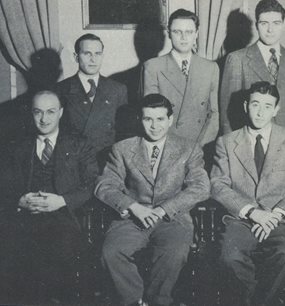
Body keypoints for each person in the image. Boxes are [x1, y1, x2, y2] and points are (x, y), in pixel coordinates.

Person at [95, 94, 210, 306]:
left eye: (160, 119)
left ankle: (158, 301)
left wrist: (164, 209)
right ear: (140, 119)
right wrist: (133, 207)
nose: (154, 126)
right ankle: (135, 301)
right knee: (111, 253)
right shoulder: (122, 149)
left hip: (172, 219)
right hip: (132, 219)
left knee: (174, 253)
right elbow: (105, 186)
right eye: (148, 119)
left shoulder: (189, 148)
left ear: (170, 119)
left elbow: (201, 187)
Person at [211, 81, 285, 305]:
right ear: (246, 105)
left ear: (276, 109)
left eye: (268, 106)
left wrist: (276, 213)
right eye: (255, 104)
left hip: (282, 221)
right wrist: (252, 212)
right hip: (240, 221)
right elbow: (218, 185)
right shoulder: (227, 142)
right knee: (229, 258)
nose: (260, 111)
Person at [0, 90, 97, 304]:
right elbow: (3, 186)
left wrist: (61, 201)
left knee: (58, 248)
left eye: (50, 112)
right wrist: (19, 200)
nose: (44, 119)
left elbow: (92, 185)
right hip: (24, 217)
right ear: (31, 113)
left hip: (64, 217)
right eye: (38, 112)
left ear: (61, 112)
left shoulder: (80, 144)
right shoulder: (15, 146)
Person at [220, 0, 285, 143]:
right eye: (264, 23)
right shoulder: (237, 59)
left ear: (284, 25)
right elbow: (228, 113)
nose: (270, 29)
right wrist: (232, 150)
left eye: (276, 23)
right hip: (250, 143)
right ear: (256, 25)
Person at [142, 9, 219, 147]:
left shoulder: (211, 68)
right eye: (177, 32)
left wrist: (200, 147)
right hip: (167, 145)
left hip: (201, 146)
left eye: (189, 32)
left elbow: (214, 114)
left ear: (196, 33)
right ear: (169, 34)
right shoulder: (153, 67)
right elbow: (152, 115)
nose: (183, 38)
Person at [56, 33, 128, 167]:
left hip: (107, 163)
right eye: (87, 53)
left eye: (97, 54)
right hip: (73, 164)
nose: (93, 59)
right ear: (76, 57)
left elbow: (123, 133)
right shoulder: (61, 90)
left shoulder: (117, 90)